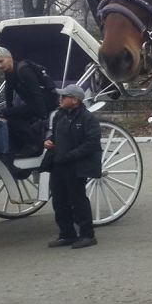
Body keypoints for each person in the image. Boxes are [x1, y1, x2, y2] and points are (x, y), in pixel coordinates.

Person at [45, 84, 101, 249]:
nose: (60, 99)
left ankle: (87, 235)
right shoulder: (59, 116)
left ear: (75, 100)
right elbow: (55, 136)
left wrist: (70, 155)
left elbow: (91, 143)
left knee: (78, 200)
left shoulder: (88, 119)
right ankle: (67, 234)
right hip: (58, 165)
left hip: (76, 166)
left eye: (64, 96)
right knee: (59, 200)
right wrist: (50, 141)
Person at [0, 47, 56, 157]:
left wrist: (43, 115)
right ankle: (16, 147)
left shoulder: (23, 70)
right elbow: (8, 93)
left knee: (12, 118)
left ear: (10, 58)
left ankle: (34, 144)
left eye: (1, 61)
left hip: (45, 103)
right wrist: (7, 112)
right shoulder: (8, 73)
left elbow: (36, 93)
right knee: (6, 115)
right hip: (33, 104)